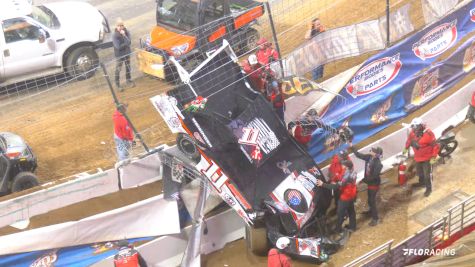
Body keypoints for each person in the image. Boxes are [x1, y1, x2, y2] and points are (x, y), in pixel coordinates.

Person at [316, 160, 357, 233]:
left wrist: (323, 184)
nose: (342, 166)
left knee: (340, 213)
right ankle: (353, 227)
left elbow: (335, 187)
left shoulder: (347, 175)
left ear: (347, 167)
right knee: (351, 211)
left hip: (345, 197)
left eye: (343, 165)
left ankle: (338, 230)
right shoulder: (353, 172)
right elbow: (344, 182)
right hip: (351, 194)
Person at [349, 143, 383, 226]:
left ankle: (375, 219)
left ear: (376, 154)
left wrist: (363, 180)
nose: (370, 151)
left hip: (374, 184)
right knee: (369, 198)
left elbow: (374, 177)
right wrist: (352, 146)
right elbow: (358, 155)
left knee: (372, 201)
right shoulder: (369, 157)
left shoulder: (378, 164)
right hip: (369, 183)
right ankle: (371, 211)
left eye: (372, 151)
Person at [404, 118, 438, 197]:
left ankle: (429, 188)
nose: (413, 129)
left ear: (420, 126)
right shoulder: (412, 133)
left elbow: (435, 146)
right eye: (413, 128)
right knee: (419, 172)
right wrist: (406, 148)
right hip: (418, 157)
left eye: (415, 127)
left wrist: (433, 157)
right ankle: (422, 183)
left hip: (427, 158)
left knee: (427, 174)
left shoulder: (429, 134)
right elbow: (409, 140)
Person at [113, 18, 135, 92]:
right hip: (119, 55)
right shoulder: (115, 35)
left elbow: (129, 42)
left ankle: (128, 80)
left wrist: (124, 35)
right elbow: (118, 47)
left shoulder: (126, 32)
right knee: (118, 69)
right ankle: (117, 84)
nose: (120, 27)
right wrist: (126, 44)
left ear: (123, 25)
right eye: (118, 25)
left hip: (127, 53)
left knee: (128, 67)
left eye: (121, 25)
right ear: (116, 26)